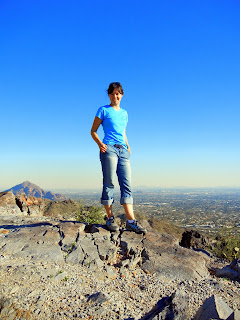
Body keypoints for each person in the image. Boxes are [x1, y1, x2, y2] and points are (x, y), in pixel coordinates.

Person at [91, 82, 147, 234]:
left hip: (123, 150)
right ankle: (110, 218)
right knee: (109, 183)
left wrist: (128, 146)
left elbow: (123, 133)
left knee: (126, 184)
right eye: (113, 93)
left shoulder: (125, 113)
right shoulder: (103, 110)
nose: (116, 96)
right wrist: (100, 144)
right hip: (108, 148)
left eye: (118, 93)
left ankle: (131, 222)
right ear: (109, 95)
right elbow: (93, 131)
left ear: (121, 95)